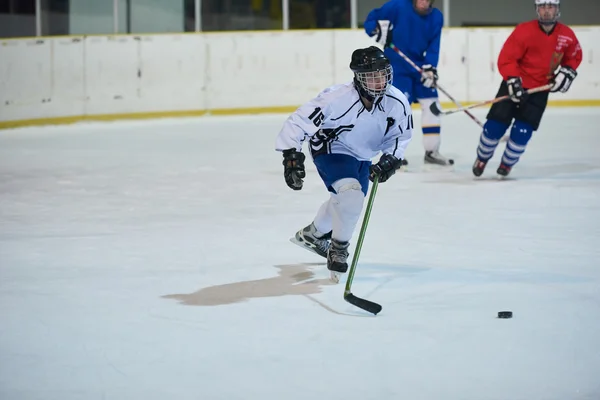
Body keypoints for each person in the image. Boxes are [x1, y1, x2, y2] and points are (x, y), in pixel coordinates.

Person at [275, 46, 413, 278]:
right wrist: (291, 155)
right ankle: (338, 249)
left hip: (363, 154)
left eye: (383, 74)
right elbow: (299, 121)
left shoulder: (396, 101)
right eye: (372, 76)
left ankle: (314, 234)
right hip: (332, 148)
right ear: (358, 78)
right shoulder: (337, 98)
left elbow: (400, 135)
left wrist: (392, 158)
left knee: (348, 202)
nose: (380, 81)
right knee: (351, 195)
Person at [472, 0, 582, 177]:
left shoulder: (567, 35)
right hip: (513, 85)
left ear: (557, 9)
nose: (547, 11)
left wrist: (568, 72)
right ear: (537, 10)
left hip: (539, 91)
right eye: (543, 7)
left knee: (522, 132)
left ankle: (506, 164)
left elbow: (574, 56)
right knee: (493, 128)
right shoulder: (524, 31)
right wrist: (514, 80)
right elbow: (507, 58)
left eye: (551, 7)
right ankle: (482, 158)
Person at [364, 0, 453, 166]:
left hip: (419, 67)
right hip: (397, 66)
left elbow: (434, 45)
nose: (423, 2)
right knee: (399, 108)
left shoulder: (436, 17)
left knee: (432, 105)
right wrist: (375, 30)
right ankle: (393, 153)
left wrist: (430, 68)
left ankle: (432, 151)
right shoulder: (396, 6)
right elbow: (371, 19)